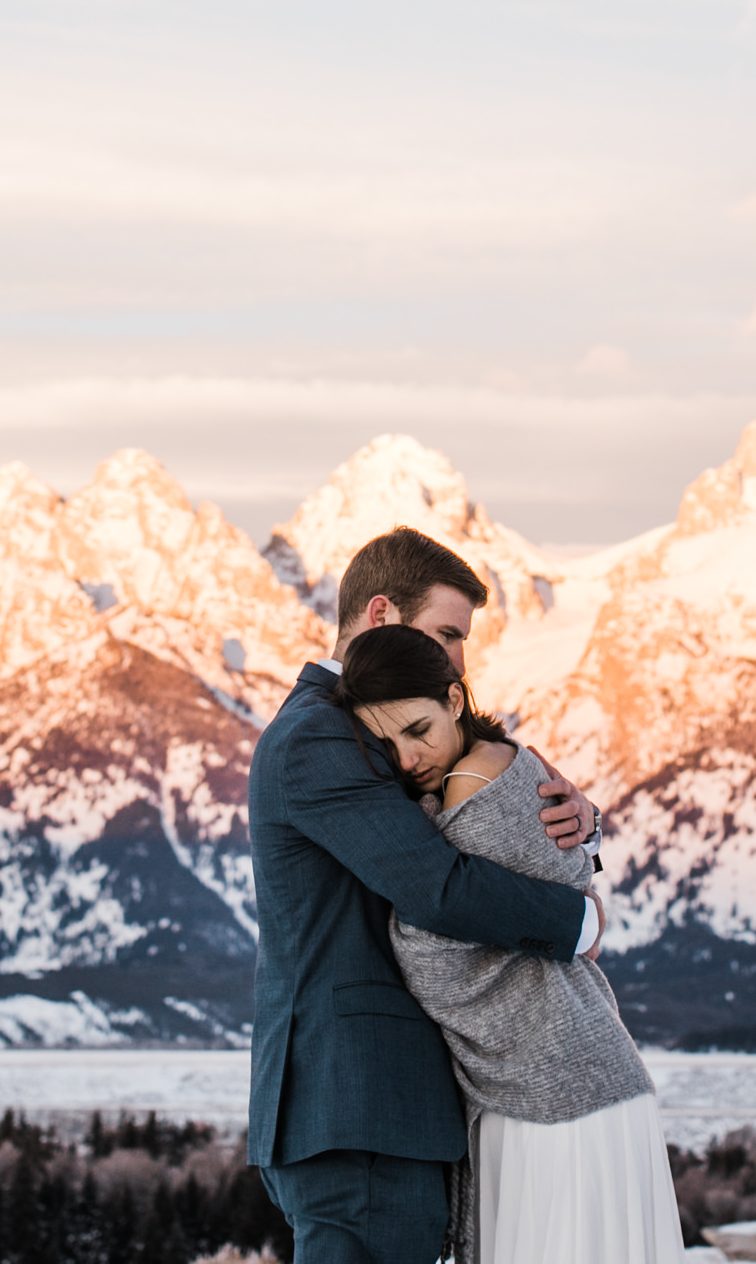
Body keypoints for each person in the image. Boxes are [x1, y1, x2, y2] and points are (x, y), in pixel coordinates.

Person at [249, 527, 606, 1264]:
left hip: (372, 1109)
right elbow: (436, 884)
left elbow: (469, 817)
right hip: (360, 1103)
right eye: (447, 631)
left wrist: (580, 821)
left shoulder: (367, 731)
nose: (459, 660)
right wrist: (579, 920)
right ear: (380, 615)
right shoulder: (318, 737)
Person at [341, 622, 684, 1264]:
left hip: (556, 1092)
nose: (409, 759)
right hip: (567, 1081)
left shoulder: (470, 787)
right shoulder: (499, 765)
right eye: (386, 746)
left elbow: (431, 946)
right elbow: (556, 883)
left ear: (454, 699)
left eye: (418, 730)